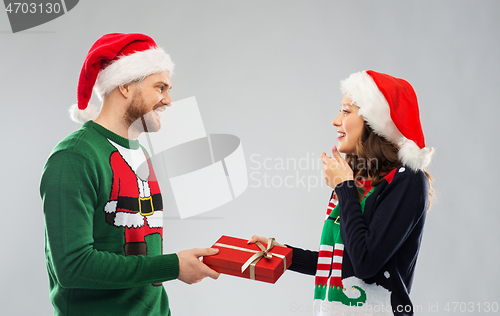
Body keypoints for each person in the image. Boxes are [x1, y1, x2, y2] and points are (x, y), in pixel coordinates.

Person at [40, 33, 219, 316]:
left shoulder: (139, 153)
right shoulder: (74, 157)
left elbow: (141, 259)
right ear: (124, 85)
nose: (169, 100)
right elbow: (73, 268)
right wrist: (173, 266)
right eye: (160, 87)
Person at [250, 70, 434, 316]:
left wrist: (344, 187)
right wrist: (282, 254)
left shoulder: (407, 181)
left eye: (346, 111)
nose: (336, 120)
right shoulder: (353, 179)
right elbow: (340, 263)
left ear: (372, 122)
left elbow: (365, 264)